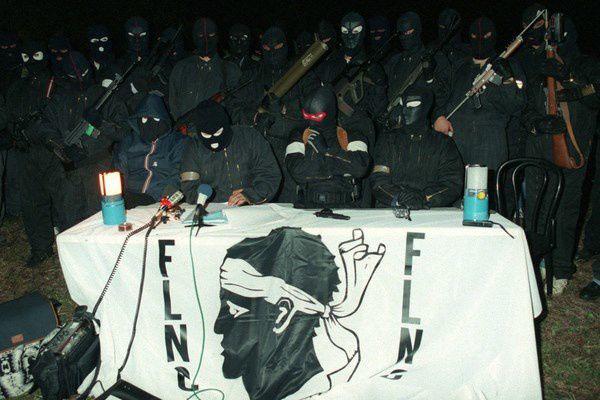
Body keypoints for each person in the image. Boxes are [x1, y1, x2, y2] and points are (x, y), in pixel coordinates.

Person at [519, 12, 600, 294]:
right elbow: (525, 105)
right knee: (536, 206)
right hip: (539, 145)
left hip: (572, 147)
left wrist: (569, 77)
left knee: (566, 209)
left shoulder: (586, 64)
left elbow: (595, 96)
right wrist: (537, 122)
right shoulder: (538, 63)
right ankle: (537, 263)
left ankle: (562, 268)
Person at [229, 26, 319, 202]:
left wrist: (287, 109)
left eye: (277, 47)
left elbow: (315, 104)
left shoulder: (299, 73)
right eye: (267, 48)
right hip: (258, 148)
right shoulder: (252, 75)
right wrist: (255, 116)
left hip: (294, 147)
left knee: (291, 203)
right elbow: (233, 107)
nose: (272, 52)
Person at [39, 51, 128, 225]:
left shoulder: (105, 96)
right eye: (73, 75)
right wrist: (61, 148)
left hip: (100, 167)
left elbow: (123, 131)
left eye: (84, 73)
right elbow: (45, 128)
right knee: (70, 220)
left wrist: (101, 123)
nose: (80, 79)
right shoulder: (59, 99)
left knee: (102, 220)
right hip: (68, 170)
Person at [433, 17, 526, 178]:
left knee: (484, 191)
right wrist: (438, 117)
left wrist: (508, 79)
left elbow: (517, 106)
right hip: (455, 143)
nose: (480, 41)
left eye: (486, 36)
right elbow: (438, 97)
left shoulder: (508, 65)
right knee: (452, 189)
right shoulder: (458, 67)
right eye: (475, 36)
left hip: (490, 145)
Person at [4, 40, 60, 266]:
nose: (31, 62)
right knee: (31, 203)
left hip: (50, 151)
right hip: (25, 152)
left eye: (35, 55)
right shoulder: (17, 86)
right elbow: (7, 114)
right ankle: (40, 248)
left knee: (62, 199)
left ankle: (68, 242)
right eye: (26, 57)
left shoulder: (55, 83)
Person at [371, 85, 463, 209]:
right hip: (391, 210)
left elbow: (452, 183)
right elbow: (378, 181)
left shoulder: (443, 143)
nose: (405, 110)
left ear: (425, 107)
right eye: (403, 105)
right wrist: (399, 197)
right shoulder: (388, 140)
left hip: (431, 213)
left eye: (412, 104)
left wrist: (424, 198)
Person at [180, 101, 281, 205]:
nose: (213, 140)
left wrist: (250, 195)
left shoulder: (250, 137)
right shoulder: (194, 148)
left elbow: (269, 174)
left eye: (218, 132)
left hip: (252, 205)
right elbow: (189, 188)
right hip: (212, 207)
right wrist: (221, 198)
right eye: (206, 135)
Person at [285, 86, 370, 208]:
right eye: (307, 116)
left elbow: (360, 168)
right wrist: (337, 164)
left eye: (316, 117)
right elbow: (297, 172)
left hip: (347, 206)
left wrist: (327, 151)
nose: (311, 122)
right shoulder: (300, 135)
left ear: (330, 112)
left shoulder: (350, 135)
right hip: (307, 207)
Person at [317, 12, 387, 147]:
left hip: (359, 132)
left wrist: (380, 84)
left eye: (355, 31)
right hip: (331, 131)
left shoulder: (372, 66)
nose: (350, 35)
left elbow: (378, 110)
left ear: (363, 32)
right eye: (345, 31)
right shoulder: (330, 62)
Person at [114, 93, 188, 208]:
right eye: (144, 119)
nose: (149, 124)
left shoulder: (176, 142)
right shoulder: (129, 141)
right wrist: (120, 195)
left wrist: (162, 199)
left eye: (156, 119)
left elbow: (178, 174)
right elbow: (119, 171)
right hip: (130, 197)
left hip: (159, 199)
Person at [168, 17, 241, 120]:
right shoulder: (181, 68)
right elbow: (173, 104)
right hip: (185, 128)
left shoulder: (230, 70)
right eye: (201, 36)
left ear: (217, 37)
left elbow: (236, 108)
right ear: (194, 38)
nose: (206, 40)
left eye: (210, 35)